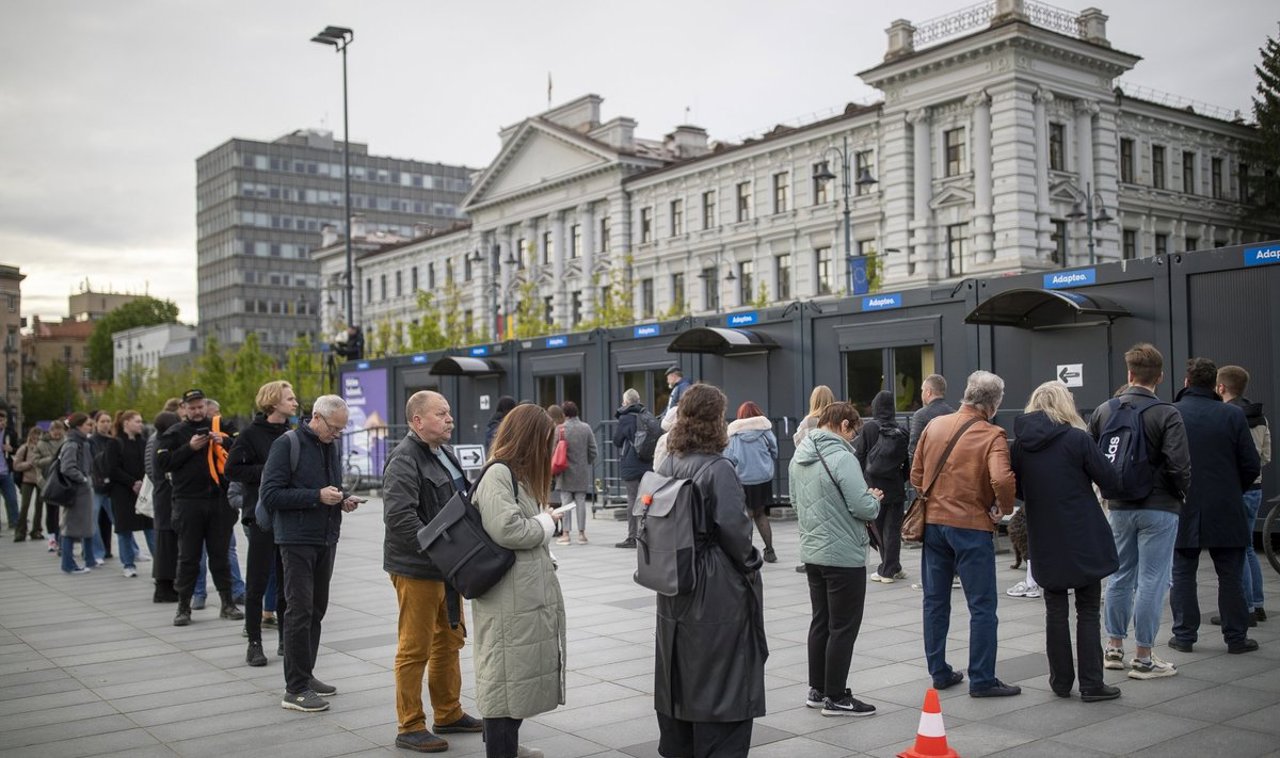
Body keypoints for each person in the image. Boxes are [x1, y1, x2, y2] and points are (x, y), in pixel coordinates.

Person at [651, 383, 766, 756]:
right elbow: (737, 533)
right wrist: (751, 566)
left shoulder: (669, 460)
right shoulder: (719, 468)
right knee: (722, 680)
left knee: (680, 676)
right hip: (715, 588)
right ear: (716, 420)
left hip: (673, 579)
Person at [382, 390, 484, 752]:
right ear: (417, 421)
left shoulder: (445, 454)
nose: (450, 420)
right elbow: (399, 518)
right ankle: (409, 725)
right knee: (415, 647)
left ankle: (449, 713)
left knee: (449, 639)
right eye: (441, 414)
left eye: (450, 414)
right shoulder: (404, 458)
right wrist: (441, 552)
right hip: (418, 569)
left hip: (448, 568)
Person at [910, 370, 1019, 697]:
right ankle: (982, 679)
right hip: (971, 526)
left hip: (934, 525)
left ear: (966, 394)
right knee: (982, 605)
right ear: (994, 404)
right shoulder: (993, 435)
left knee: (935, 601)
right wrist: (1004, 507)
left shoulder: (934, 426)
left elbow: (916, 474)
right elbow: (1001, 480)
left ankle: (939, 672)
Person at [1011, 382, 1121, 701]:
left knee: (1054, 608)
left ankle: (1060, 682)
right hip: (1083, 533)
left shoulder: (1020, 446)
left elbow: (1018, 489)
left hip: (1044, 533)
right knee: (1087, 609)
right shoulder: (1077, 439)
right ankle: (1091, 683)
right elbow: (1110, 481)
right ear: (1064, 404)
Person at [1088, 343, 1191, 680]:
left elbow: (1091, 457)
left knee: (1119, 575)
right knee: (1153, 579)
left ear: (1129, 374)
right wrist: (1179, 494)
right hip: (1160, 506)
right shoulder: (1167, 412)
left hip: (1118, 505)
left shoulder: (1105, 410)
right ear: (1159, 377)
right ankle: (1144, 657)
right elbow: (1179, 464)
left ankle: (1114, 648)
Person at [471, 402, 565, 758]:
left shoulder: (516, 475)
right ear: (529, 440)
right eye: (545, 441)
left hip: (519, 599)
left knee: (516, 681)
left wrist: (541, 520)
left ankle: (508, 746)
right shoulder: (498, 473)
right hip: (508, 601)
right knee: (505, 685)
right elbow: (506, 528)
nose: (549, 449)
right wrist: (545, 525)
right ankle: (501, 750)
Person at [260, 395, 361, 713]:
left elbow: (330, 485)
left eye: (342, 430)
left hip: (325, 537)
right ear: (316, 417)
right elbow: (271, 494)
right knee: (299, 611)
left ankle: (306, 674)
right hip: (296, 539)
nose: (337, 434)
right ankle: (295, 688)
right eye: (334, 428)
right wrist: (316, 496)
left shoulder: (329, 445)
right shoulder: (287, 444)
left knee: (316, 610)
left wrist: (342, 498)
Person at [790, 401, 883, 716]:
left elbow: (794, 501)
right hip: (843, 555)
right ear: (844, 425)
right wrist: (873, 499)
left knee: (821, 622)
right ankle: (836, 696)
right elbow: (863, 508)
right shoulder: (842, 458)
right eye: (853, 431)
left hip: (813, 552)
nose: (853, 438)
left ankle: (817, 690)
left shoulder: (799, 456)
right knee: (843, 626)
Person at [1170, 358, 1261, 654]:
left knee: (1183, 572)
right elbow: (1251, 465)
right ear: (1214, 386)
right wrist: (1233, 489)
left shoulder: (1172, 414)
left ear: (1187, 382)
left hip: (1183, 504)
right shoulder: (1232, 415)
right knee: (1230, 573)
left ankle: (1184, 636)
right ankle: (1236, 637)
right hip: (1226, 504)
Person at [157, 389, 244, 626]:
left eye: (200, 406)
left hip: (219, 502)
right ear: (184, 408)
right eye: (191, 407)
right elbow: (162, 462)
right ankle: (183, 607)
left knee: (221, 555)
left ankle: (227, 603)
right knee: (188, 557)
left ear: (206, 405)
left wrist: (223, 439)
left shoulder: (221, 425)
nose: (196, 411)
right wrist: (190, 448)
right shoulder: (174, 432)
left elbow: (243, 446)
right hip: (188, 502)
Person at [226, 380, 297, 668]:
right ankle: (254, 642)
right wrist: (267, 471)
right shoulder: (251, 435)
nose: (295, 402)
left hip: (287, 516)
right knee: (256, 582)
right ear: (273, 402)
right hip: (261, 517)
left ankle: (284, 638)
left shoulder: (291, 434)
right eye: (289, 398)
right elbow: (232, 469)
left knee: (285, 582)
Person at [1215, 365, 1271, 624]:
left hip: (1232, 489)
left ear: (1221, 387)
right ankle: (1257, 604)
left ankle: (1245, 608)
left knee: (1236, 551)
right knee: (1248, 546)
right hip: (1255, 488)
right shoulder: (1260, 417)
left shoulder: (1225, 415)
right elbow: (1265, 457)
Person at [191, 398, 247, 610]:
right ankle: (198, 593)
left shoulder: (225, 427)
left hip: (221, 497)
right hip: (196, 498)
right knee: (198, 550)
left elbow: (240, 447)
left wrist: (222, 439)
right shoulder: (183, 430)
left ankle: (237, 590)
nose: (214, 417)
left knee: (227, 547)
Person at [853, 390, 909, 583]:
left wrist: (863, 481)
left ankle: (887, 570)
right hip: (895, 487)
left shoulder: (869, 428)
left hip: (874, 487)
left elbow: (859, 455)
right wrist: (901, 480)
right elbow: (906, 462)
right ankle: (894, 566)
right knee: (892, 529)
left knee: (877, 529)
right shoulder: (901, 429)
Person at [726, 401, 778, 562]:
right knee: (761, 514)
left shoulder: (734, 434)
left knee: (746, 515)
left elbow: (729, 457)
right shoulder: (765, 431)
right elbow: (774, 451)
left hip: (743, 479)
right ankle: (770, 551)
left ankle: (746, 554)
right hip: (763, 477)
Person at [106, 410, 154, 578]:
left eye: (141, 421)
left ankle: (160, 562)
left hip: (142, 491)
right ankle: (128, 564)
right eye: (137, 421)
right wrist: (132, 482)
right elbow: (112, 469)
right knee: (124, 529)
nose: (140, 424)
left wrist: (142, 482)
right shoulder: (115, 443)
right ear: (126, 423)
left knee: (150, 526)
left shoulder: (144, 442)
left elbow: (148, 464)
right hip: (122, 493)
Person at [56, 413, 99, 574]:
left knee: (86, 526)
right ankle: (68, 564)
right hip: (76, 491)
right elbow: (67, 467)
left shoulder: (83, 442)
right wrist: (83, 478)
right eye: (88, 425)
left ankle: (89, 559)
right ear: (78, 426)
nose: (90, 427)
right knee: (71, 528)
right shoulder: (73, 444)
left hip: (83, 490)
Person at [612, 388, 652, 549]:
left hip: (631, 463)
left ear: (627, 402)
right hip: (647, 463)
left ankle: (632, 537)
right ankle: (647, 534)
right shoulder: (646, 415)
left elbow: (617, 440)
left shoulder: (626, 418)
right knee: (646, 499)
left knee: (632, 499)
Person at [147, 411, 181, 602]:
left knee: (165, 545)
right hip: (166, 499)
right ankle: (163, 587)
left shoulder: (159, 442)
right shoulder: (163, 445)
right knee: (166, 545)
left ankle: (165, 585)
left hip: (163, 498)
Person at [553, 400, 597, 546]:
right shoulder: (586, 428)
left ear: (564, 414)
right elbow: (593, 450)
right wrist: (586, 462)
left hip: (564, 472)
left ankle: (565, 534)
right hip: (581, 471)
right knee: (581, 502)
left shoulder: (560, 429)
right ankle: (581, 534)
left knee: (565, 503)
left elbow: (554, 451)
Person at [907, 374, 955, 472]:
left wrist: (916, 478)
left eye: (922, 390)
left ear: (928, 392)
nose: (922, 394)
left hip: (929, 474)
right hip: (951, 473)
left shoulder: (920, 415)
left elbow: (914, 449)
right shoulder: (954, 414)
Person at [89, 410, 116, 562]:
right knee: (94, 518)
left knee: (117, 519)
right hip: (97, 484)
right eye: (103, 421)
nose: (106, 424)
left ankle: (133, 549)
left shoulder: (113, 440)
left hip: (111, 485)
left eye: (108, 421)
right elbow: (94, 463)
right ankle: (98, 551)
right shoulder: (92, 441)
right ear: (96, 424)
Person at [36, 420, 66, 549]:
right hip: (48, 480)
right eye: (54, 430)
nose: (57, 433)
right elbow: (35, 461)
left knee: (63, 512)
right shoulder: (42, 443)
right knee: (51, 511)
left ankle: (62, 537)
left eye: (59, 430)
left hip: (63, 480)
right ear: (49, 431)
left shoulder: (66, 442)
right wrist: (52, 458)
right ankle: (52, 538)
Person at [14, 426, 45, 542]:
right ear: (30, 436)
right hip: (27, 480)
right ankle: (20, 531)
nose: (36, 438)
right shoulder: (24, 448)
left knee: (39, 506)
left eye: (39, 436)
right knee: (25, 506)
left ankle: (36, 530)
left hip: (40, 480)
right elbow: (16, 465)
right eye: (34, 435)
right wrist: (29, 464)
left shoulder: (44, 448)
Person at [0, 409, 18, 530]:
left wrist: (11, 449)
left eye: (3, 420)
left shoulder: (10, 434)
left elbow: (18, 449)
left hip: (6, 471)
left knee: (11, 498)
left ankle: (15, 522)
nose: (1, 422)